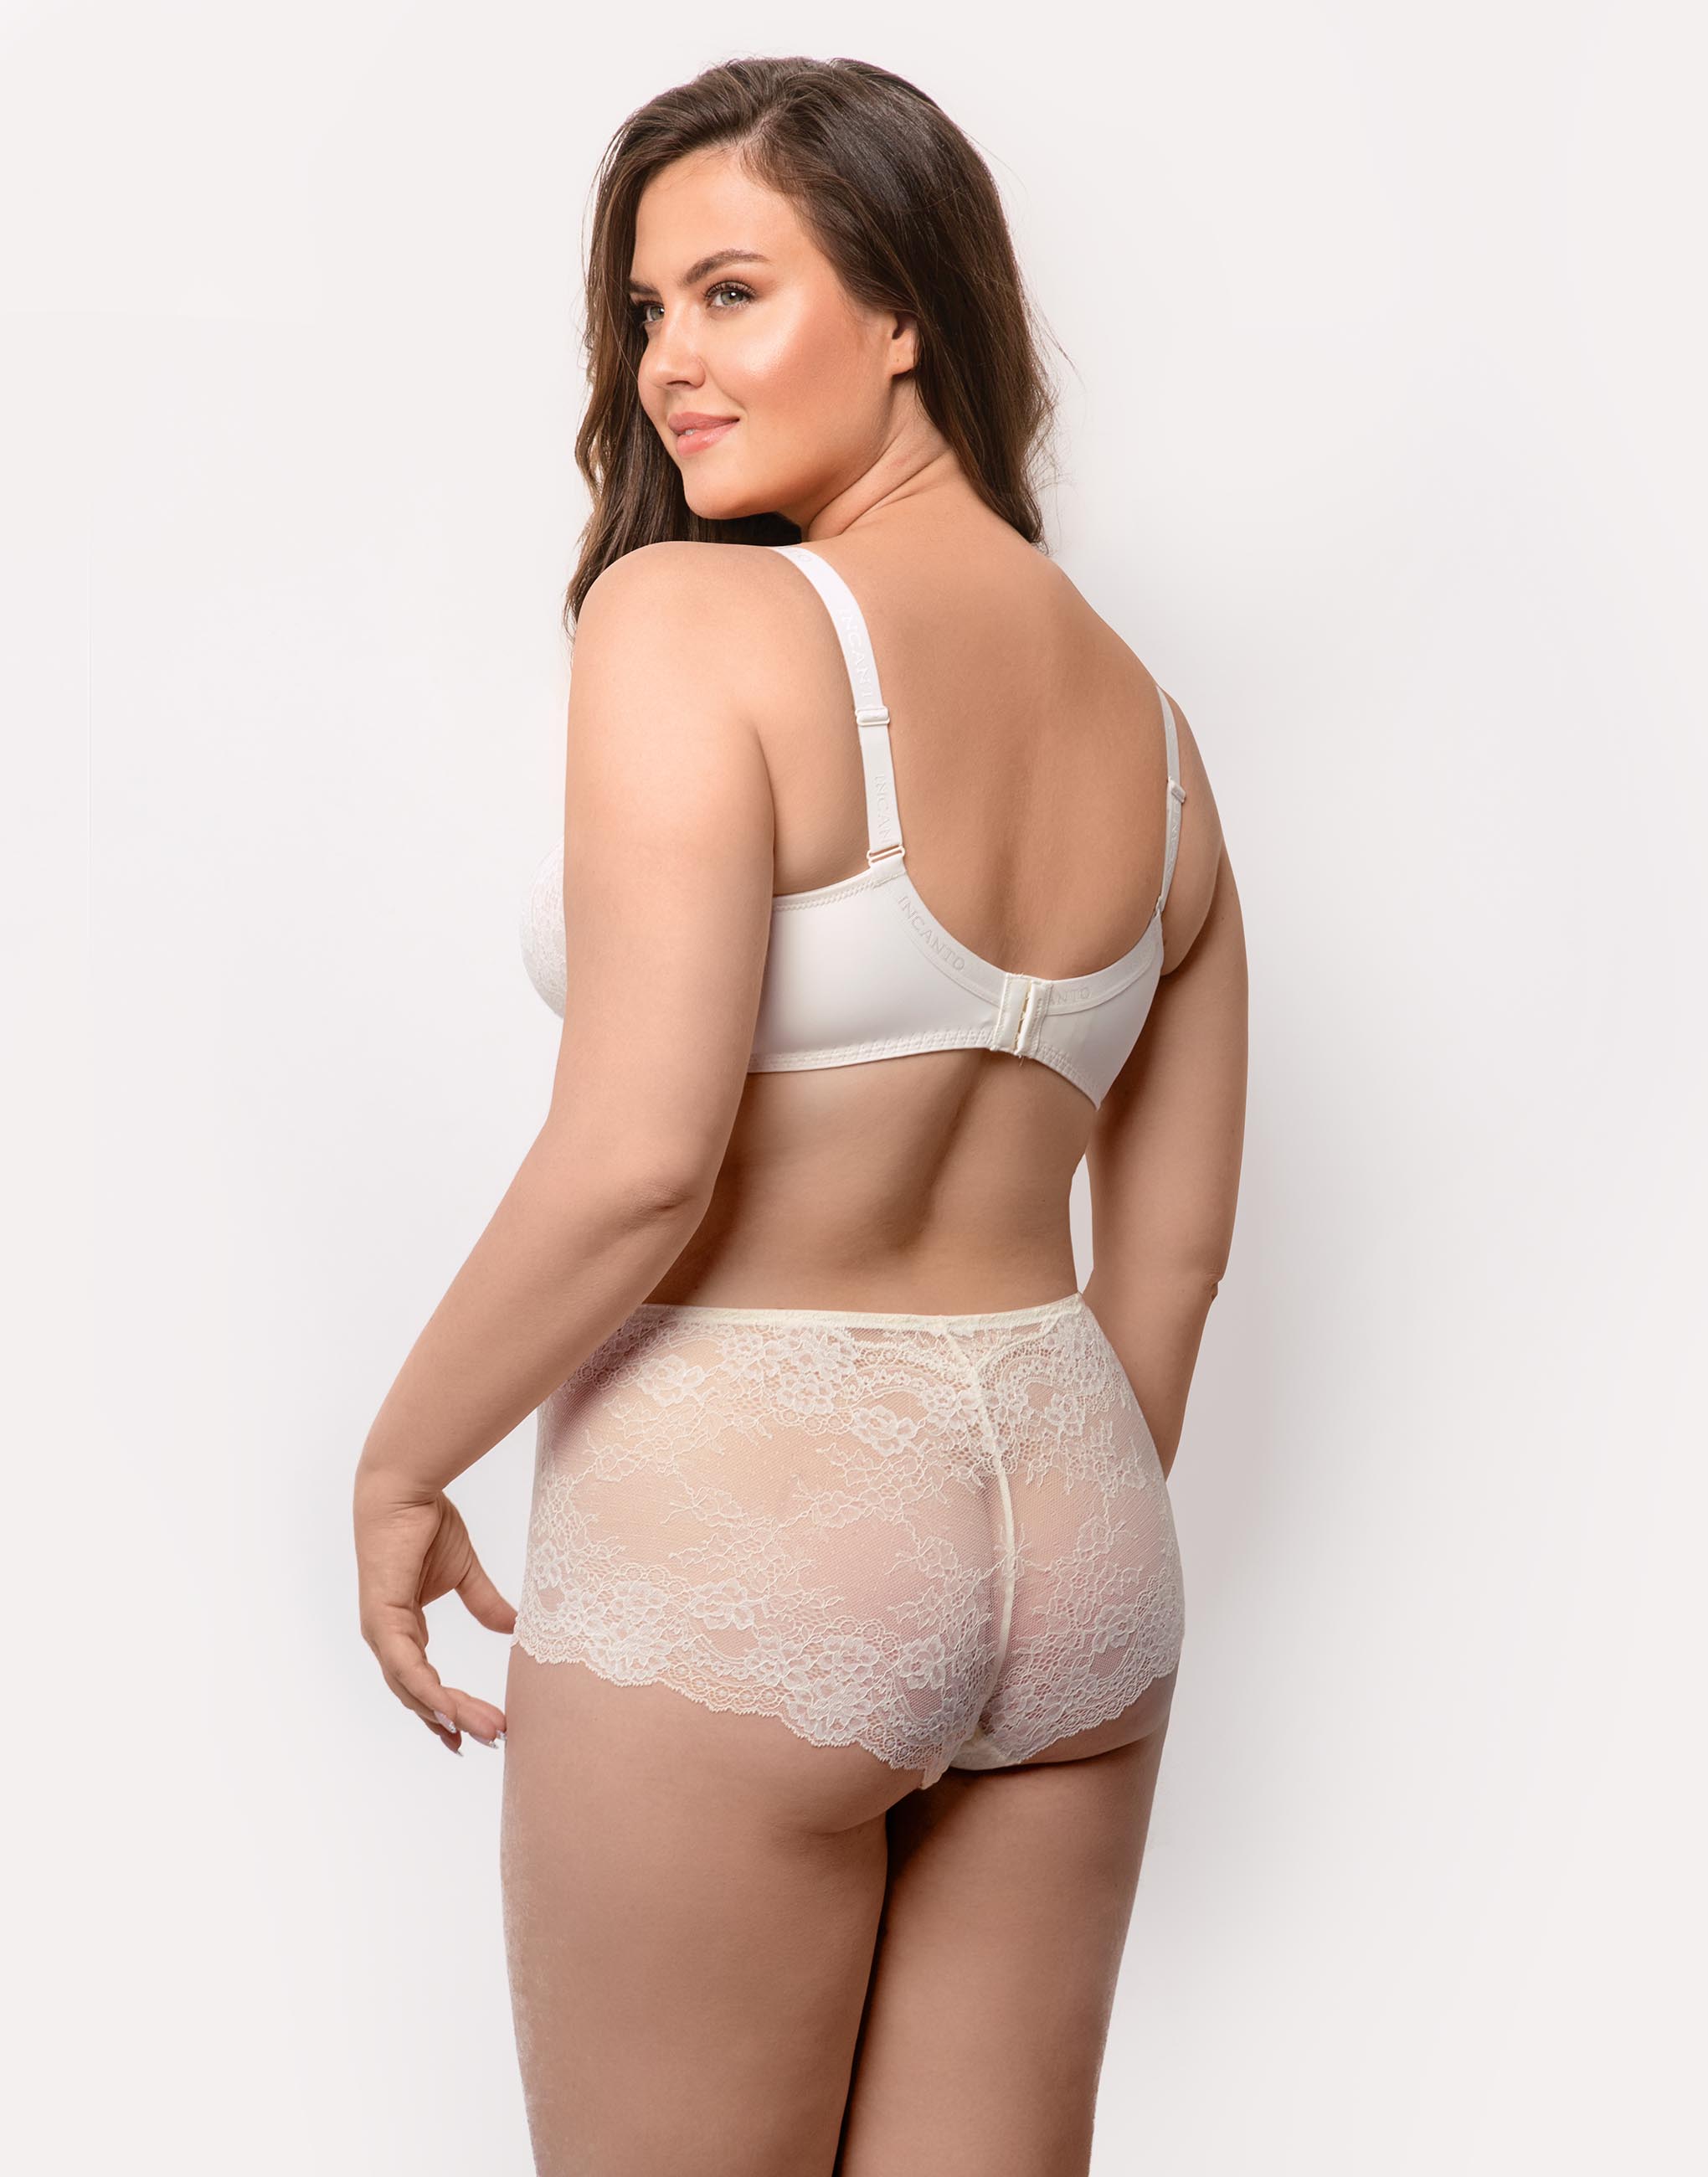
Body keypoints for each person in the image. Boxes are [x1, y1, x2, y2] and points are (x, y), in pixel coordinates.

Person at [353, 54, 1248, 2177]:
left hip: (747, 1518)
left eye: (734, 292)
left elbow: (639, 1158)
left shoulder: (696, 618)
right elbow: (1177, 1251)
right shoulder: (1157, 731)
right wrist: (1015, 1559)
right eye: (646, 310)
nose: (670, 361)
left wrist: (401, 1460)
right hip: (1082, 1528)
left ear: (908, 304)